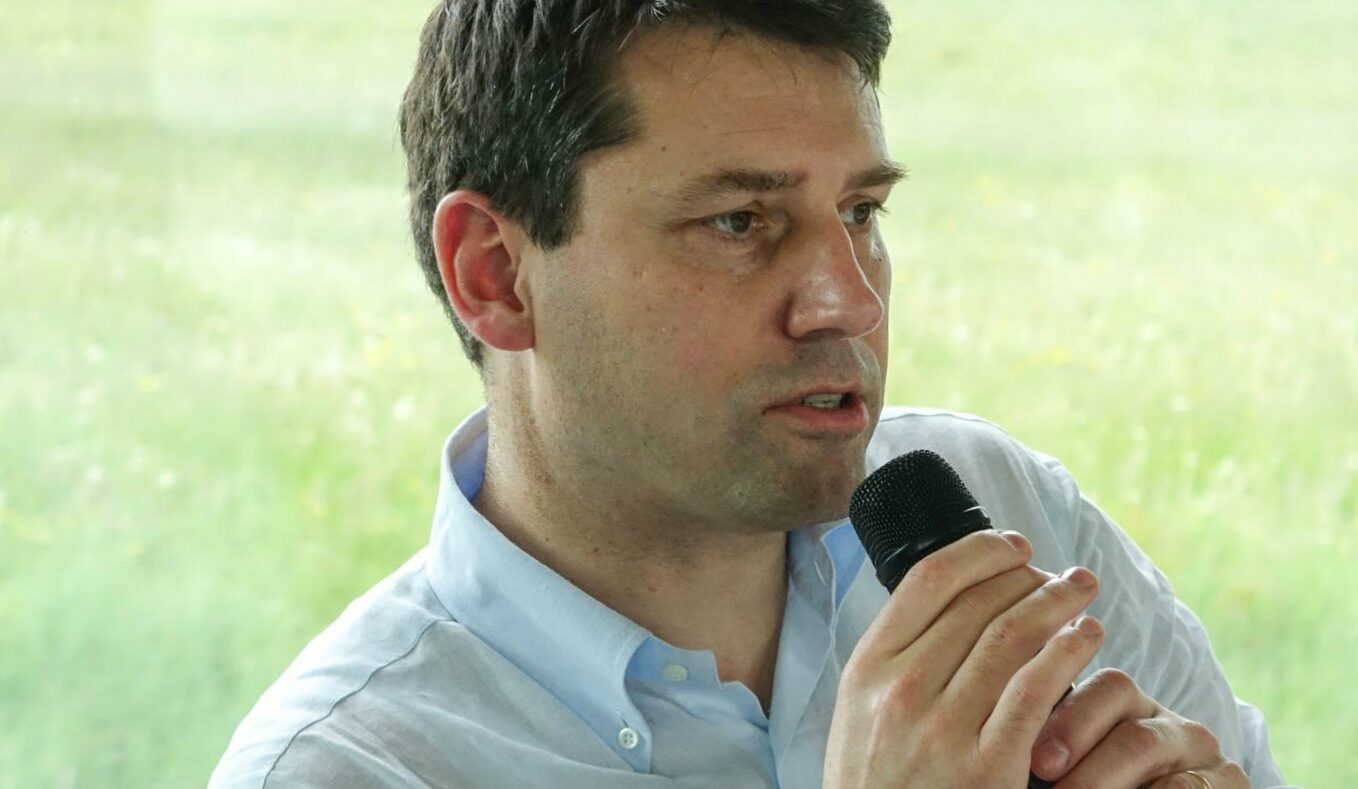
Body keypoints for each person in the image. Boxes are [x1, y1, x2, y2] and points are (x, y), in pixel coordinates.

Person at [210, 2, 1286, 787]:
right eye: (739, 223)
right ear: (494, 274)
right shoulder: (348, 770)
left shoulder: (995, 516)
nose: (847, 305)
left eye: (860, 213)